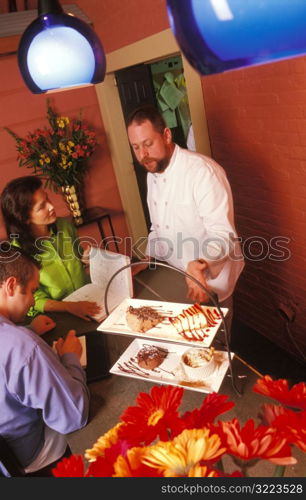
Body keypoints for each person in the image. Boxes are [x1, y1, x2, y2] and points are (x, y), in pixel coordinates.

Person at [127, 105, 245, 329]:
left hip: (210, 281)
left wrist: (199, 264)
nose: (143, 155)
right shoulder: (152, 173)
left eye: (148, 143)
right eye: (136, 147)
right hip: (176, 276)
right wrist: (148, 256)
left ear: (167, 135)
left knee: (214, 346)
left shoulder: (202, 172)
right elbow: (158, 227)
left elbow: (224, 235)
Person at [0, 246, 89, 476]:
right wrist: (70, 357)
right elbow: (73, 416)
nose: (32, 302)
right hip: (29, 457)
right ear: (10, 286)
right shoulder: (23, 348)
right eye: (31, 291)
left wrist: (28, 328)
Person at [0, 176, 100, 321]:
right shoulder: (17, 251)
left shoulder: (64, 226)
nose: (51, 206)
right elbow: (35, 299)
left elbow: (79, 259)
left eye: (47, 199)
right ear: (24, 218)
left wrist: (86, 259)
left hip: (87, 300)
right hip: (55, 316)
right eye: (41, 207)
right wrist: (69, 307)